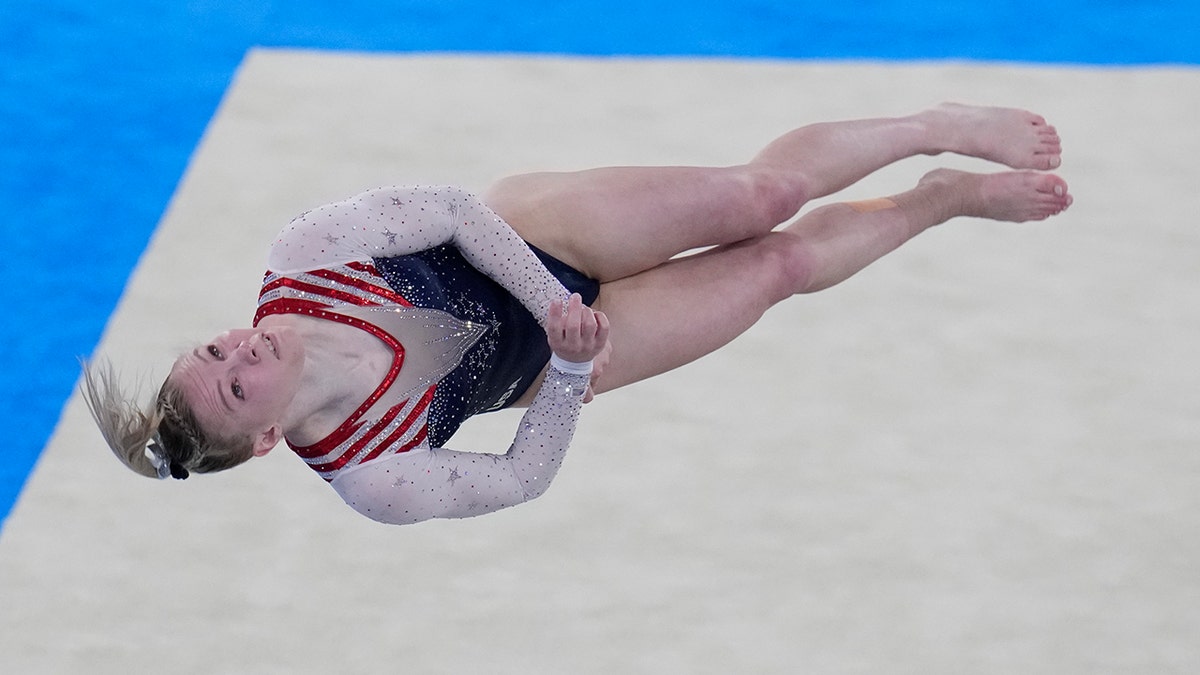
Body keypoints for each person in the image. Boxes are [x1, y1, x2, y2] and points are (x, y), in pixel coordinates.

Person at [82, 103, 1071, 526]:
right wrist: (564, 369)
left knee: (759, 198)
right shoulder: (375, 477)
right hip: (555, 364)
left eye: (212, 345)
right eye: (237, 378)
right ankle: (943, 196)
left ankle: (934, 125)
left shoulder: (305, 258)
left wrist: (556, 309)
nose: (240, 345)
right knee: (778, 268)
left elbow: (458, 210)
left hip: (537, 240)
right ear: (263, 437)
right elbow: (518, 476)